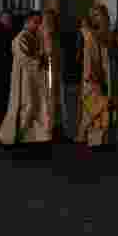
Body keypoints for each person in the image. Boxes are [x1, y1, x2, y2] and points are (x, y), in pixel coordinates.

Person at [0, 13, 57, 149]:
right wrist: (39, 60)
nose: (38, 25)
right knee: (26, 105)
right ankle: (19, 136)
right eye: (36, 22)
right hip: (23, 78)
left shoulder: (33, 36)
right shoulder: (21, 37)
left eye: (39, 22)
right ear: (28, 21)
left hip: (32, 78)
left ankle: (31, 136)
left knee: (32, 105)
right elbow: (24, 57)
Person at [77, 4, 118, 150]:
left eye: (102, 15)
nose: (101, 18)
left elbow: (113, 54)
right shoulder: (92, 36)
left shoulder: (106, 34)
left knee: (112, 107)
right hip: (98, 76)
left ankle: (107, 138)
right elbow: (90, 59)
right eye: (96, 16)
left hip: (111, 75)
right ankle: (96, 139)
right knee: (97, 107)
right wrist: (92, 78)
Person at [41, 7, 64, 139]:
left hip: (53, 69)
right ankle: (51, 126)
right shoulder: (47, 33)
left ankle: (53, 125)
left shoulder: (52, 34)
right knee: (50, 97)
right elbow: (49, 52)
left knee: (53, 97)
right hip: (49, 69)